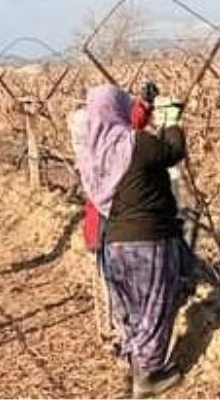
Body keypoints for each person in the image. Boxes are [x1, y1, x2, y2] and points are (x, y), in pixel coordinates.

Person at [76, 84, 186, 398]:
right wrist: (172, 121)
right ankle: (149, 377)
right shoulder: (135, 144)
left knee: (130, 309)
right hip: (147, 240)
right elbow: (171, 151)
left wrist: (145, 107)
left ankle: (136, 364)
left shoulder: (93, 152)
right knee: (154, 306)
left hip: (113, 244)